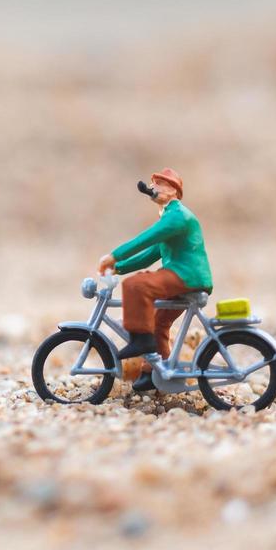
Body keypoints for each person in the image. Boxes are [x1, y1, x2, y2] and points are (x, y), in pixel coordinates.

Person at [97, 168, 212, 393]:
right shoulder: (169, 216)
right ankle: (155, 371)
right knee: (159, 323)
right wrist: (119, 267)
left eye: (161, 184)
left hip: (187, 275)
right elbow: (151, 254)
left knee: (137, 285)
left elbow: (147, 238)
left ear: (174, 191)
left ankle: (142, 341)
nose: (155, 188)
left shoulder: (177, 216)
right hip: (182, 274)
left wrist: (115, 254)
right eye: (154, 183)